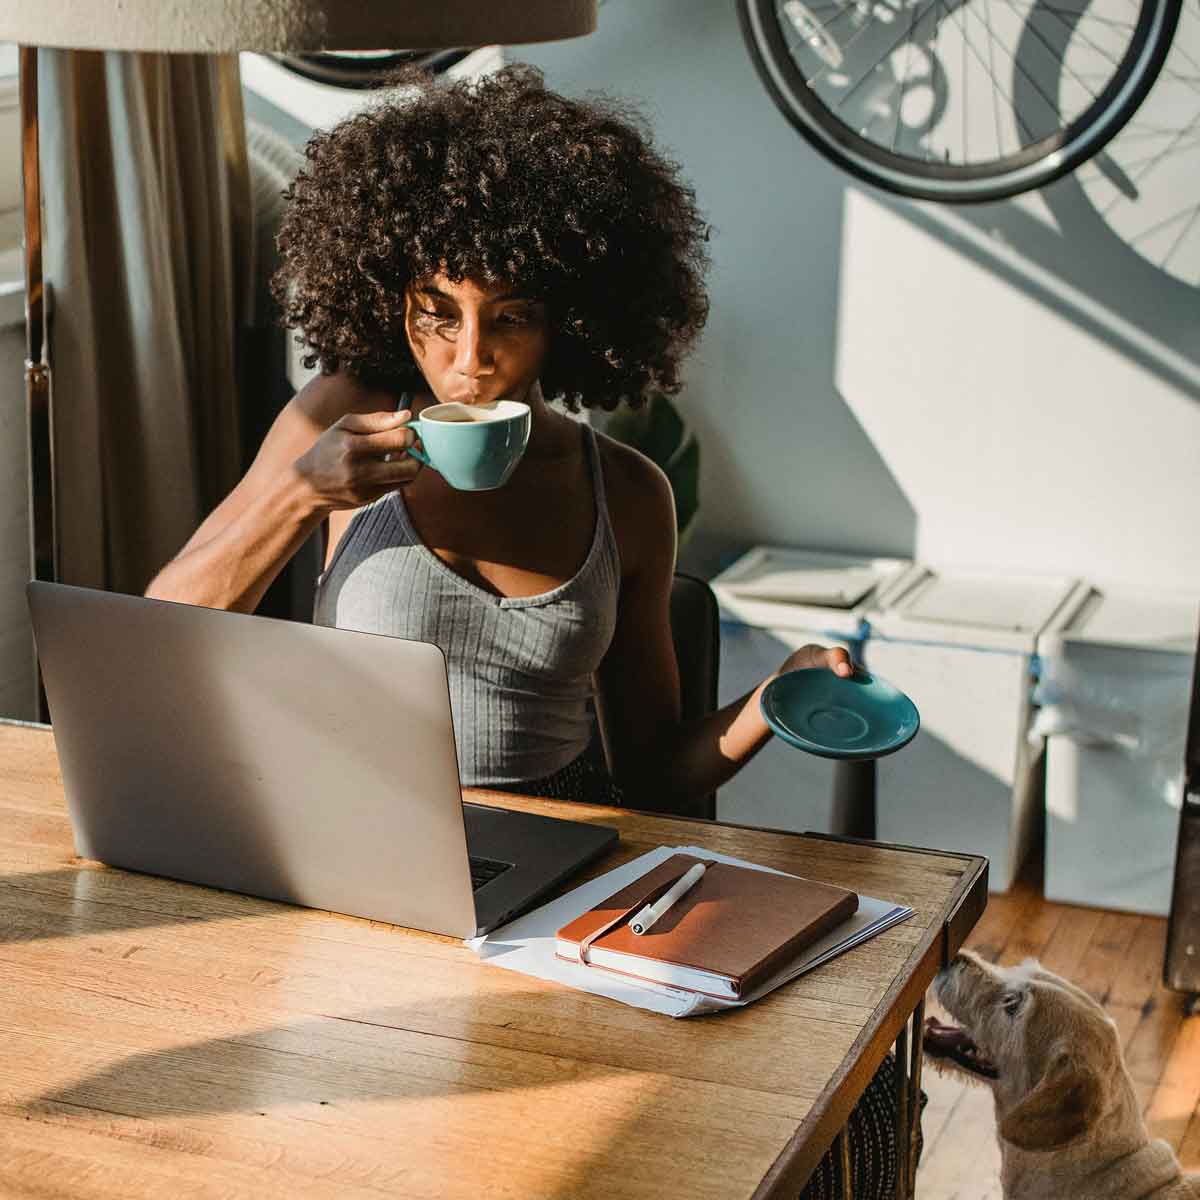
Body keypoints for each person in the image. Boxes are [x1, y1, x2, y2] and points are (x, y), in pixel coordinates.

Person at [146, 65, 917, 1197]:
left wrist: (773, 697)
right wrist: (299, 493)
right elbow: (164, 633)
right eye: (436, 313)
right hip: (350, 861)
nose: (469, 357)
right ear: (387, 299)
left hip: (555, 880)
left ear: (568, 320)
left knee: (812, 1093)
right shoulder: (330, 431)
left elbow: (658, 767)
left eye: (509, 318)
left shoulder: (629, 492)